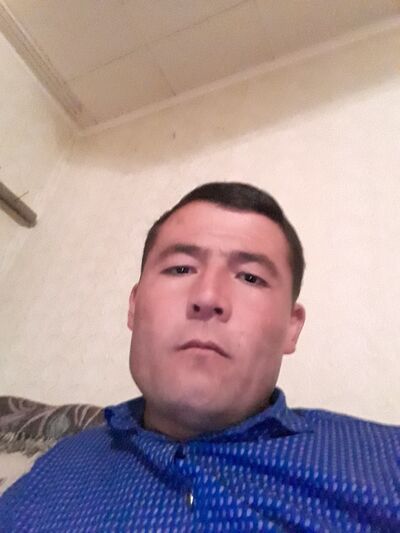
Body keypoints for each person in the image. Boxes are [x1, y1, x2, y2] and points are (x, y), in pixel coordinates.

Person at [0, 182, 398, 532]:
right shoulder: (58, 465)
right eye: (180, 269)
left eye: (251, 277)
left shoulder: (385, 461)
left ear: (291, 328)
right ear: (134, 306)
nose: (208, 297)